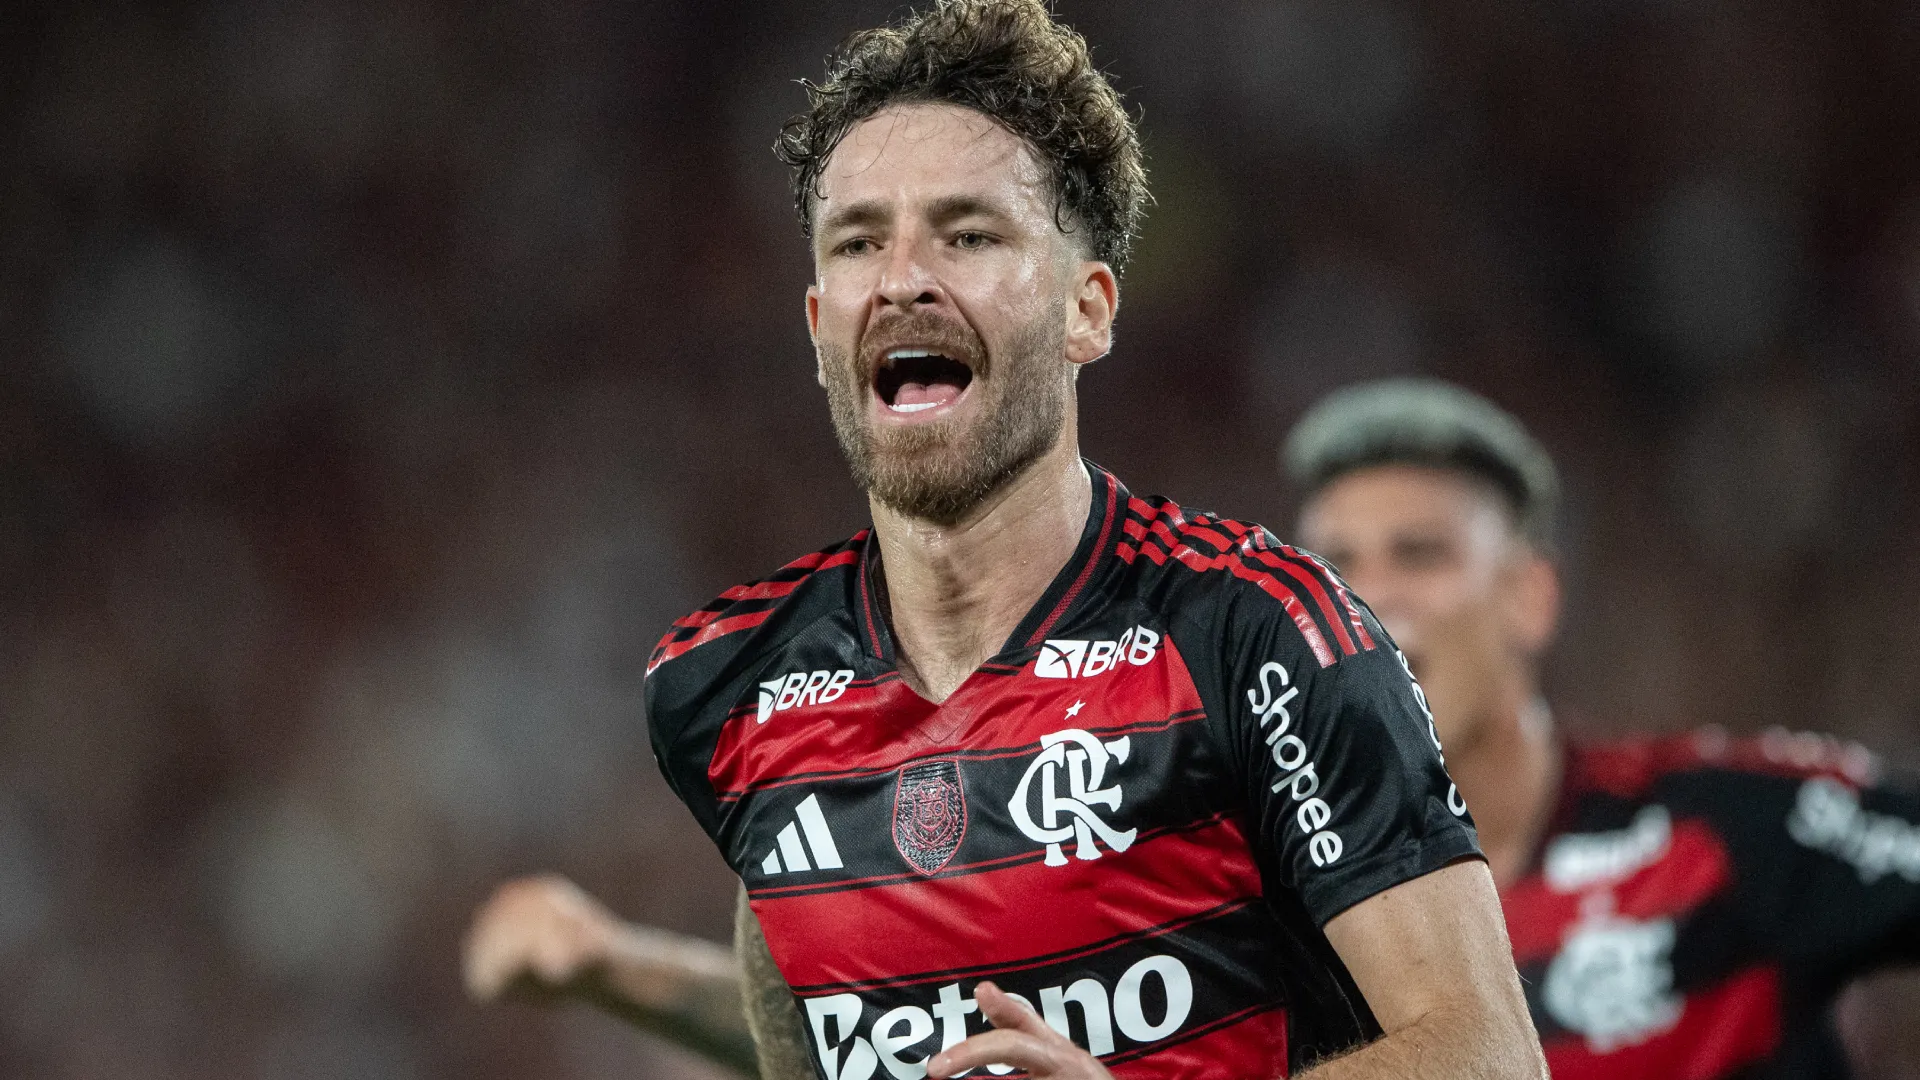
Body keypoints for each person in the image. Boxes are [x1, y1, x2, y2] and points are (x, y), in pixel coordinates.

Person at [464, 3, 1548, 1078]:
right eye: (858, 242)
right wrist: (617, 969)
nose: (902, 279)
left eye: (968, 233)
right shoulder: (726, 685)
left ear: (1088, 309)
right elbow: (819, 1041)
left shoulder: (1256, 633)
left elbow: (1490, 1055)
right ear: (817, 323)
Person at [1282, 378, 1920, 1079]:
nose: (1365, 600)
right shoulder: (1264, 925)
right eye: (1331, 568)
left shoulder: (1719, 836)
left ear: (1530, 597)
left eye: (1420, 554)